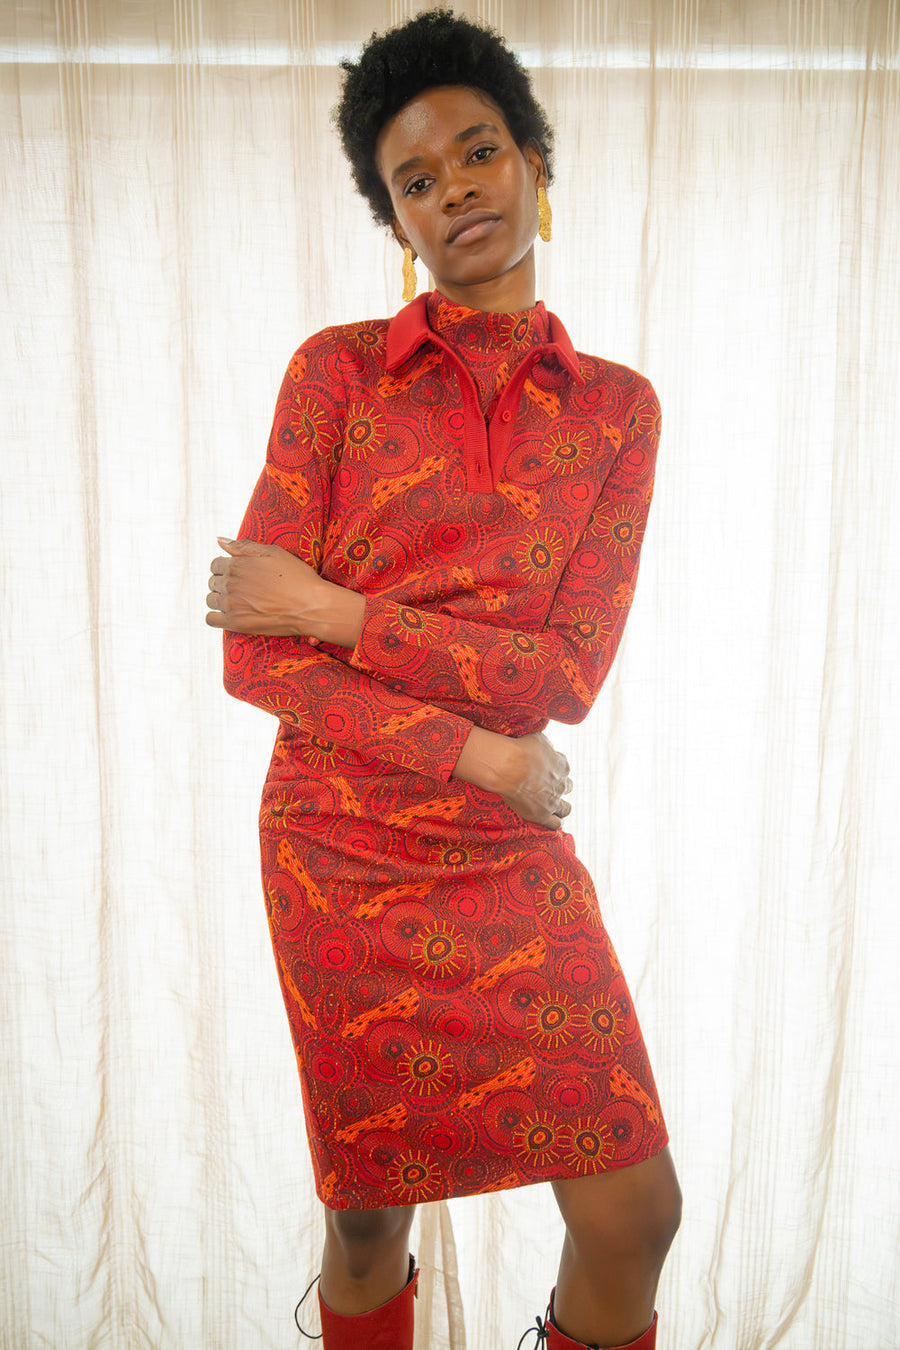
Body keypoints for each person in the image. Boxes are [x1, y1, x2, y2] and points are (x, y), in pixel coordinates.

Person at [205, 10, 680, 1349]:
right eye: (416, 179)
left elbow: (563, 675)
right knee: (368, 1220)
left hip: (501, 851)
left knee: (633, 1212)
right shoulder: (337, 373)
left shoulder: (618, 409)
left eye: (479, 152)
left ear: (535, 161)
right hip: (339, 844)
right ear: (396, 219)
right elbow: (255, 654)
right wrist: (477, 751)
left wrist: (336, 608)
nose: (457, 189)